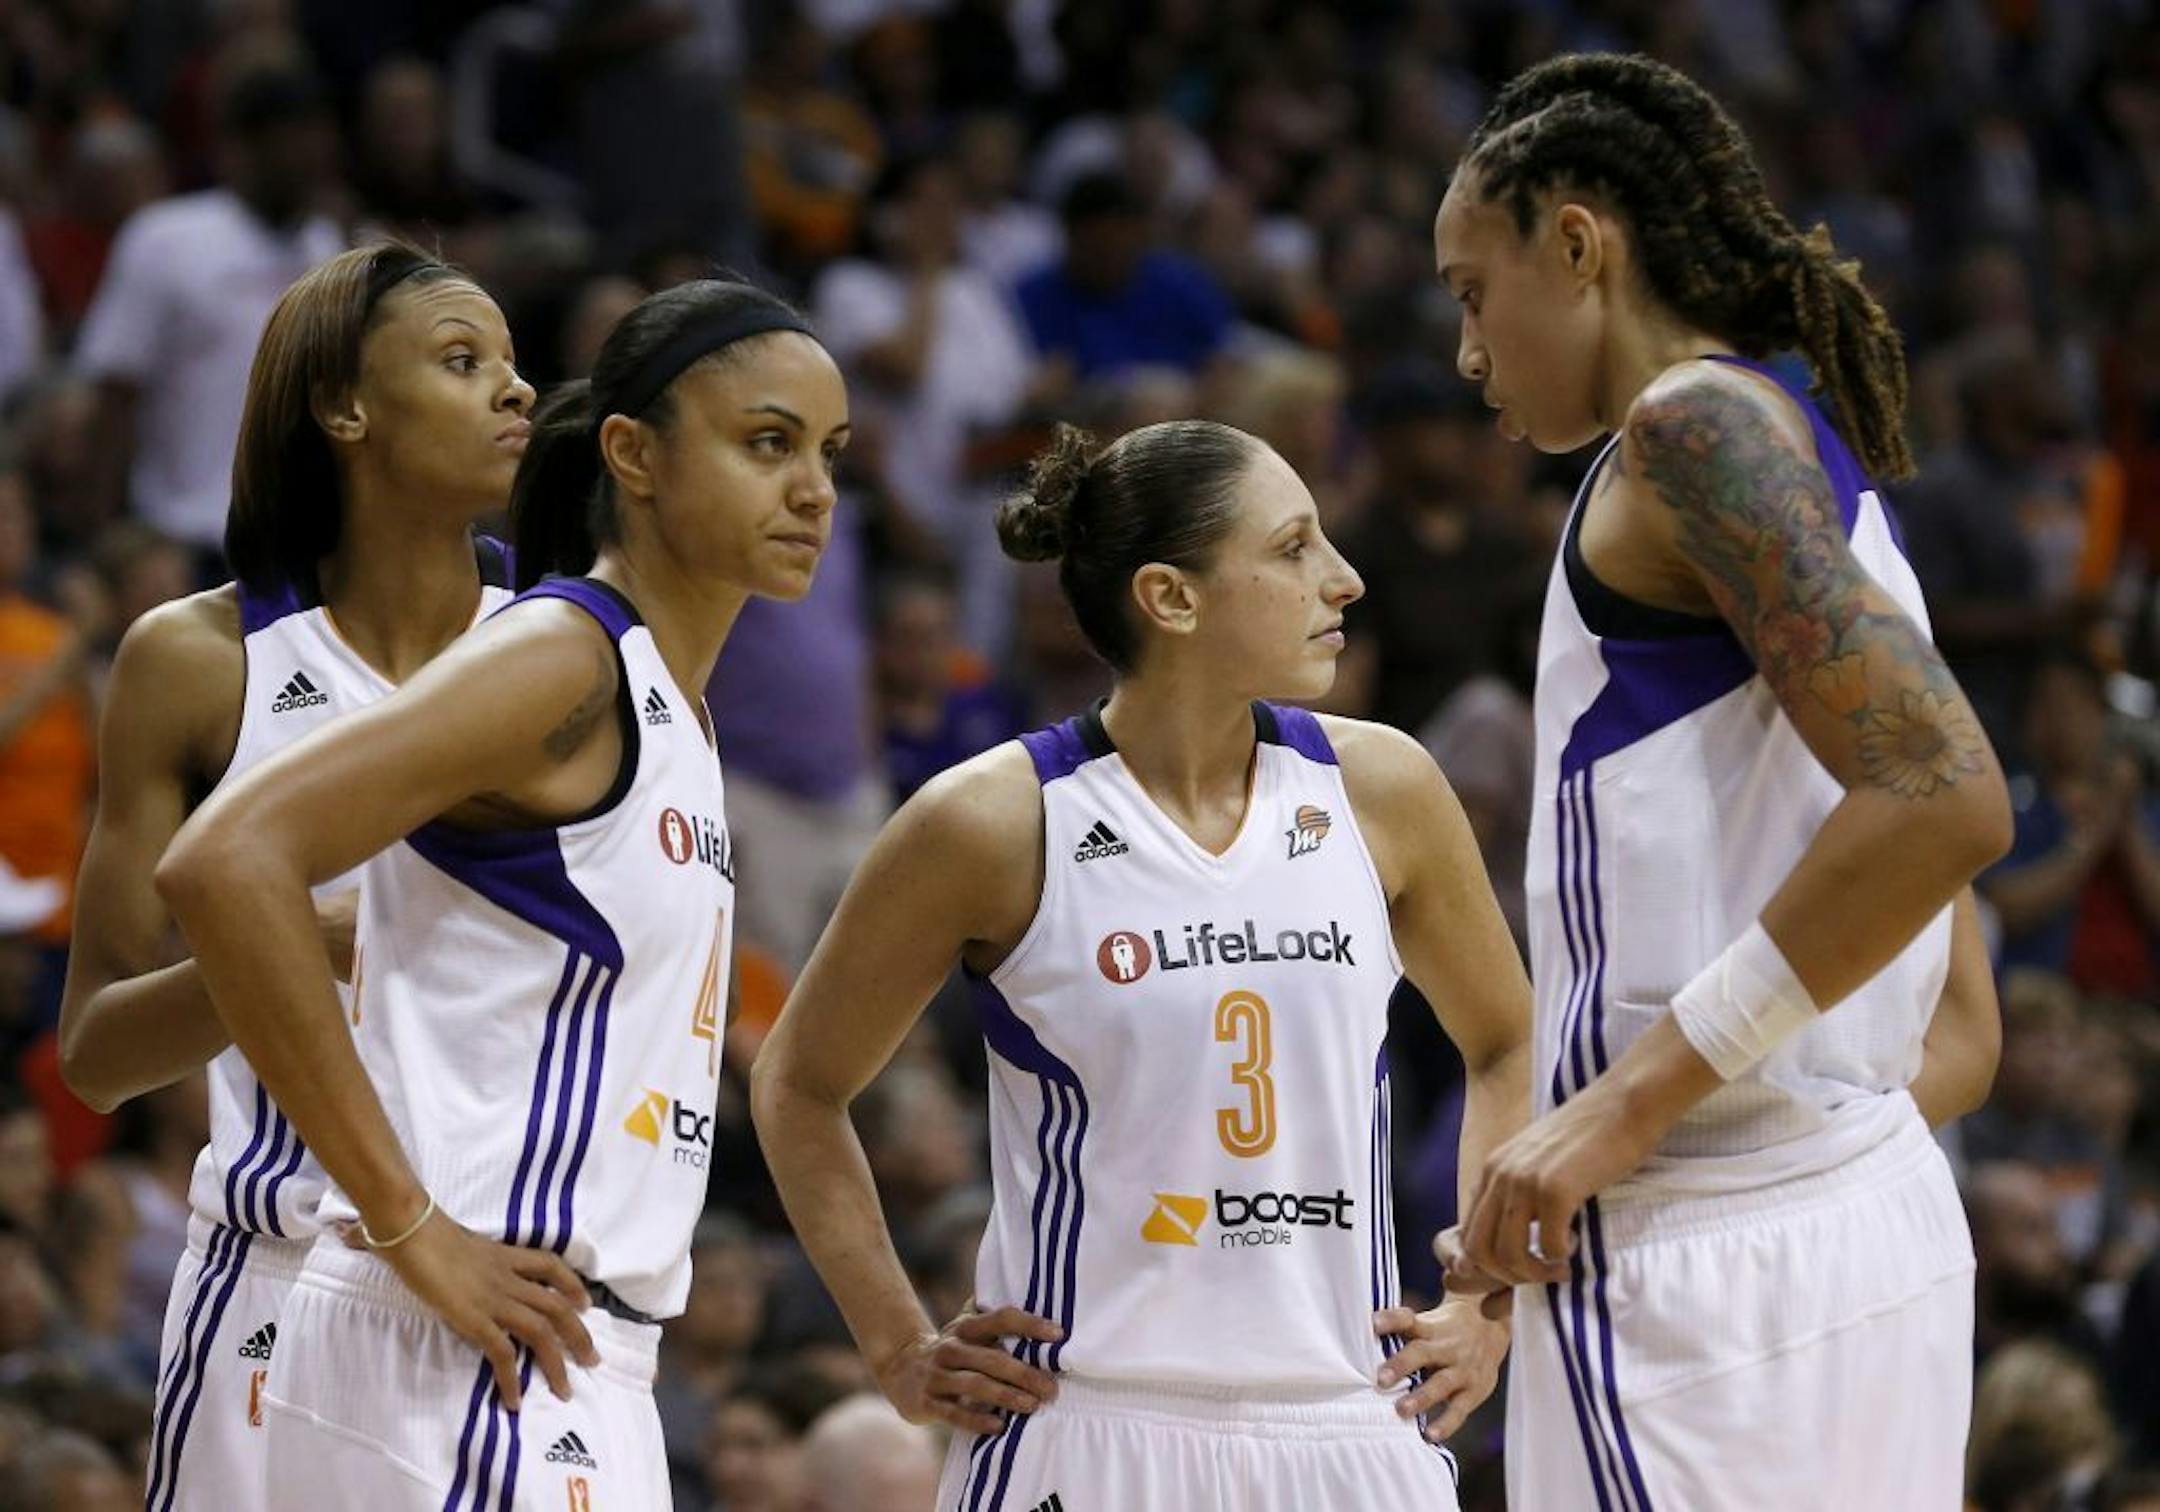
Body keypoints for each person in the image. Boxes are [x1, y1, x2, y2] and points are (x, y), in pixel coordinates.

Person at [153, 277, 849, 1508]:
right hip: (464, 1353)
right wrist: (410, 1225)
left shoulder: (661, 694)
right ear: (633, 455)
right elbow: (226, 861)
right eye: (766, 445)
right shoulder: (560, 655)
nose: (813, 490)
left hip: (563, 1357)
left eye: (827, 453)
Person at [752, 418, 1532, 1509]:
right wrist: (898, 1346)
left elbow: (1506, 1038)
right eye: (1295, 548)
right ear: (1173, 597)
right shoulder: (991, 822)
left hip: (1356, 1414)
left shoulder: (1383, 789)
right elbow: (797, 1082)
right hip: (1086, 1425)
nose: (1345, 580)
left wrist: (1485, 1299)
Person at [1429, 53, 2012, 1510]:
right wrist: (1794, 1161)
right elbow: (1963, 1015)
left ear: (1576, 243)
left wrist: (1628, 1121)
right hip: (1871, 1222)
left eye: (1468, 291)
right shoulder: (1795, 449)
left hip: (1699, 1269)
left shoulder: (1689, 434)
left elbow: (1946, 797)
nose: (1467, 354)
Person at [55, 241, 532, 1509]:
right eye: (462, 359)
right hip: (281, 1272)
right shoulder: (204, 659)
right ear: (345, 408)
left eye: (512, 360)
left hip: (514, 1278)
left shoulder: (570, 660)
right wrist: (281, 942)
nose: (518, 390)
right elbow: (96, 1056)